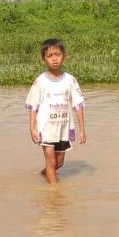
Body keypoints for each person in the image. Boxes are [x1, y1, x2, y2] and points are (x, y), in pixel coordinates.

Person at [25, 39, 87, 184]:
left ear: (64, 56)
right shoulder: (40, 82)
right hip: (46, 128)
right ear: (43, 60)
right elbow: (33, 106)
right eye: (50, 56)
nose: (54, 59)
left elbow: (78, 106)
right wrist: (32, 128)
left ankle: (45, 173)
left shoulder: (70, 80)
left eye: (57, 55)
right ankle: (54, 193)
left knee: (59, 163)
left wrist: (82, 130)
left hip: (63, 128)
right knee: (51, 162)